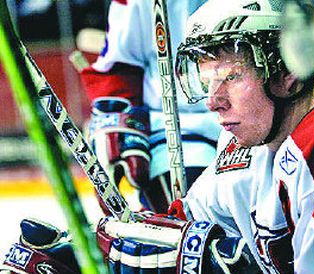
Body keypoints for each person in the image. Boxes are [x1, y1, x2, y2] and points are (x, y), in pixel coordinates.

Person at [0, 0, 314, 273]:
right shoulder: (244, 153)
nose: (214, 102)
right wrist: (91, 253)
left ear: (288, 70)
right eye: (206, 81)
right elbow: (176, 224)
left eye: (230, 77)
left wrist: (223, 264)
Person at [80, 0, 221, 213]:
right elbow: (120, 67)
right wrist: (114, 128)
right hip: (181, 131)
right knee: (189, 224)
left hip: (264, 124)